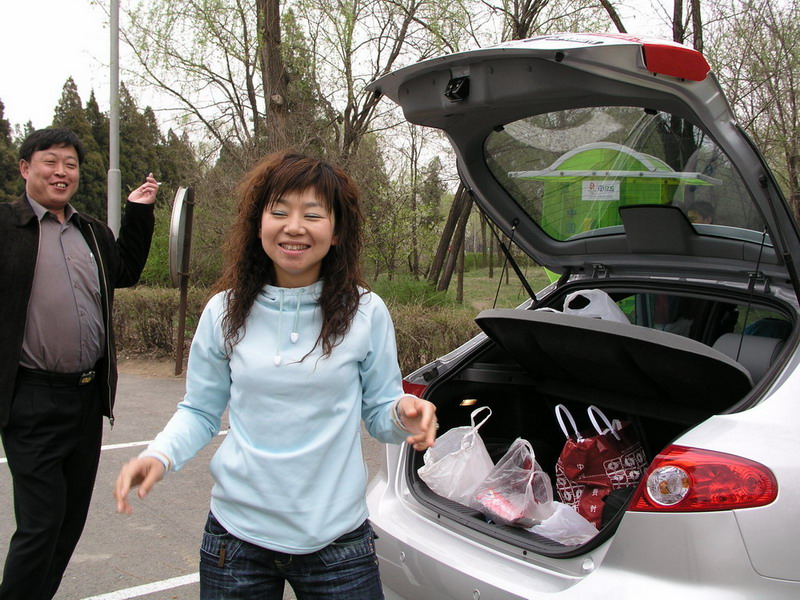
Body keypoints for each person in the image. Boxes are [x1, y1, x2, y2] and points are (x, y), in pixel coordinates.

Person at [114, 151, 437, 599]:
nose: (294, 227)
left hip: (338, 541)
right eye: (279, 211)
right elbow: (200, 411)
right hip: (237, 540)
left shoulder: (366, 312)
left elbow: (381, 414)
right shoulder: (224, 311)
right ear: (258, 224)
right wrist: (158, 456)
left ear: (337, 230)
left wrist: (405, 413)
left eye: (313, 214)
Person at [0, 127, 158, 600]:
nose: (61, 172)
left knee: (68, 523)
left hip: (87, 399)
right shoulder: (6, 228)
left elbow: (126, 271)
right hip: (30, 398)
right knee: (41, 522)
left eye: (70, 164)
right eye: (50, 162)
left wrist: (138, 211)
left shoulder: (92, 231)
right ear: (26, 168)